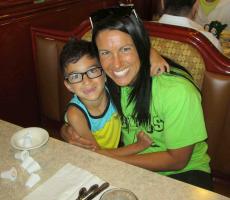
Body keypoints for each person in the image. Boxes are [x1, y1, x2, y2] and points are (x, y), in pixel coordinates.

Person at [61, 7, 212, 190]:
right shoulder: (106, 80)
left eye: (125, 49)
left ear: (141, 47)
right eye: (106, 53)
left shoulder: (177, 92)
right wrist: (67, 130)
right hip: (128, 166)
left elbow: (178, 161)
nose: (116, 64)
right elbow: (82, 105)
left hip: (184, 174)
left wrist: (106, 157)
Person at [60, 38, 152, 152]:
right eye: (75, 76)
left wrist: (154, 56)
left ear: (104, 73)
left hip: (117, 150)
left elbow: (137, 53)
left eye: (92, 71)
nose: (87, 81)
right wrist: (137, 146)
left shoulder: (113, 88)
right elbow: (96, 155)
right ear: (69, 85)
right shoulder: (76, 115)